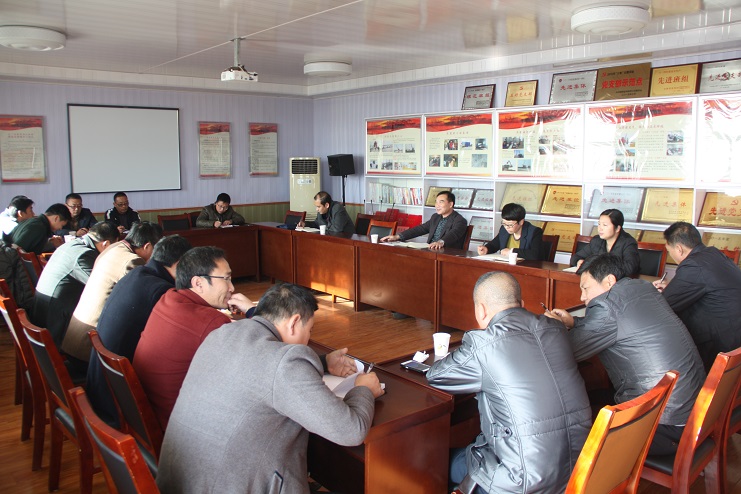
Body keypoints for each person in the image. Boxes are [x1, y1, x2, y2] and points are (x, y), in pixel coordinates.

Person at [155, 283, 383, 493]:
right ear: (294, 322)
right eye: (310, 330)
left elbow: (260, 369)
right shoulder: (285, 363)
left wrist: (324, 363)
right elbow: (351, 431)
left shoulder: (221, 334)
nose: (308, 338)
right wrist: (362, 389)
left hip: (181, 482)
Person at [426, 272, 591, 494]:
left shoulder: (484, 344)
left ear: (480, 310)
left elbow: (436, 375)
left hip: (522, 482)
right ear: (521, 304)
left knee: (435, 461)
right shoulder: (556, 329)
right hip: (579, 470)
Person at [547, 254, 705, 455]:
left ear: (609, 281)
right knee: (593, 396)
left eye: (585, 288)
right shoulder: (642, 288)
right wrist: (574, 322)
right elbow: (616, 324)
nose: (582, 297)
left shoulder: (606, 306)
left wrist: (554, 327)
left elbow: (565, 351)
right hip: (693, 411)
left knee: (570, 425)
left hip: (663, 424)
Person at [133, 246, 256, 429]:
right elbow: (258, 355)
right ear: (198, 283)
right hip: (181, 428)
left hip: (152, 413)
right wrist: (253, 311)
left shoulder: (169, 298)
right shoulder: (210, 322)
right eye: (226, 279)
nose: (232, 287)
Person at [86, 234, 192, 425]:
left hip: (101, 384)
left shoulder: (138, 274)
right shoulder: (160, 290)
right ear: (179, 264)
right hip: (118, 399)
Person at [63, 221, 163, 367]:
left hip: (74, 339)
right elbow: (143, 300)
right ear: (147, 246)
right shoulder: (132, 261)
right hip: (91, 350)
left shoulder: (113, 248)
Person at [654, 222, 741, 371]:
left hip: (721, 347)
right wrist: (671, 288)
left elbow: (664, 305)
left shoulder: (693, 265)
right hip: (735, 339)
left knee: (662, 330)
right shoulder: (713, 253)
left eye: (669, 251)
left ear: (679, 249)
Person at [33, 222, 119, 348]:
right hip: (54, 324)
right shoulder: (84, 255)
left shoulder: (71, 245)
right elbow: (102, 286)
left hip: (42, 314)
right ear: (105, 244)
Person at [382, 191, 468, 249]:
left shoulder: (460, 220)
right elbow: (420, 229)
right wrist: (398, 236)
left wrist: (440, 242)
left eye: (441, 202)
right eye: (436, 202)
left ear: (451, 204)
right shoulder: (435, 217)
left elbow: (453, 234)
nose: (437, 205)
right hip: (430, 250)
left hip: (446, 254)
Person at [570, 208, 640, 277]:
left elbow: (630, 268)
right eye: (599, 224)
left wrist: (599, 266)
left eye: (605, 225)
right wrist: (579, 261)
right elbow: (575, 257)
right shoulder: (596, 240)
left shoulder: (628, 243)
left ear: (617, 228)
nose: (600, 228)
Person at [478, 203, 544, 259]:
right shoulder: (504, 229)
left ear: (521, 222)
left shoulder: (535, 232)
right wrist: (486, 249)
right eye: (504, 223)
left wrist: (511, 251)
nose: (507, 227)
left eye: (510, 225)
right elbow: (495, 244)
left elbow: (534, 254)